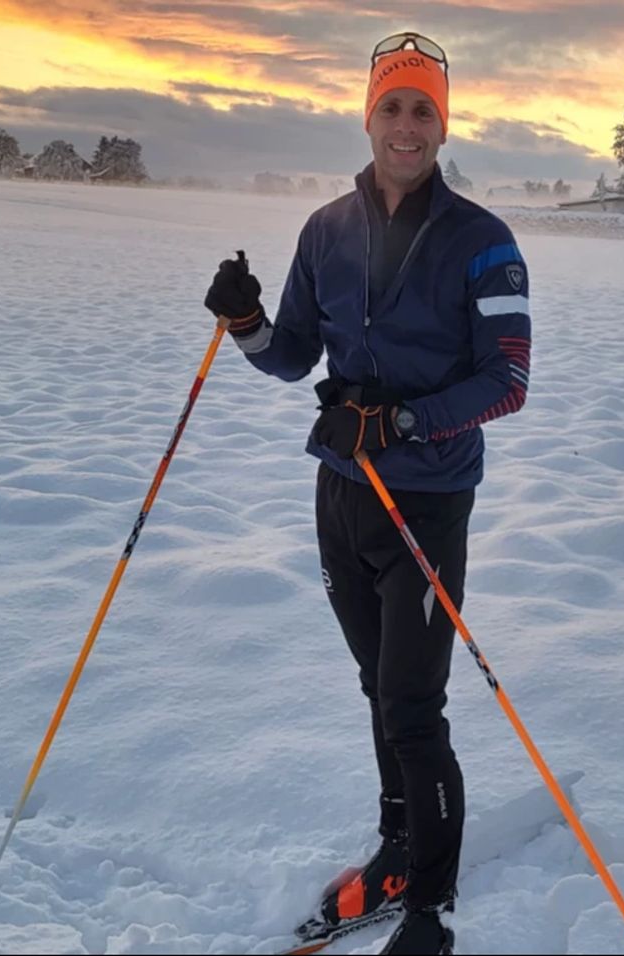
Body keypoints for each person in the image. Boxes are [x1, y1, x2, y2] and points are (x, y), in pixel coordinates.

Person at [204, 31, 531, 956]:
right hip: (343, 496)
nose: (406, 125)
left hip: (423, 502)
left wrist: (403, 423)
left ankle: (429, 906)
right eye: (392, 106)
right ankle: (397, 848)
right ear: (368, 115)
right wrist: (245, 321)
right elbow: (293, 357)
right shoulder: (325, 230)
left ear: (442, 124)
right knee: (376, 691)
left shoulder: (482, 241)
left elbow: (508, 381)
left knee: (414, 708)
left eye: (423, 108)